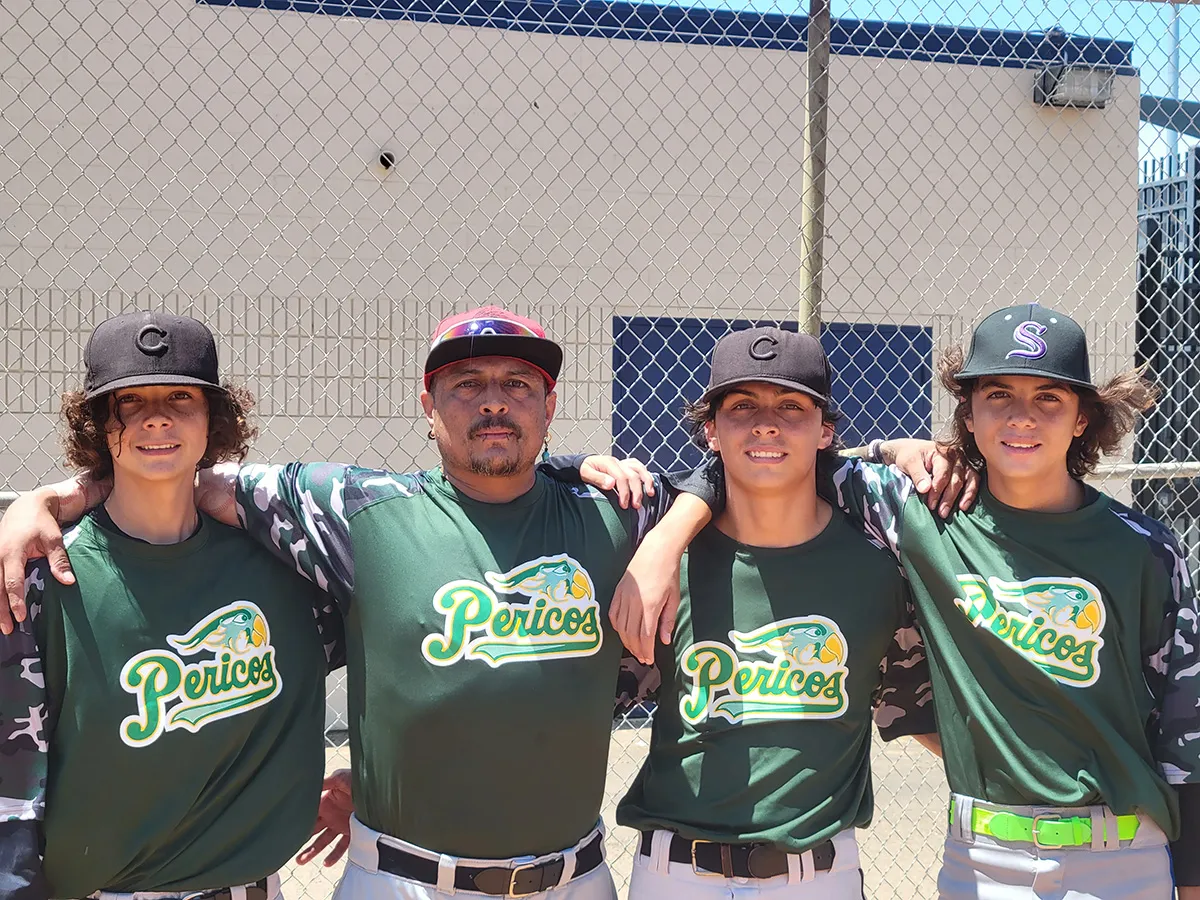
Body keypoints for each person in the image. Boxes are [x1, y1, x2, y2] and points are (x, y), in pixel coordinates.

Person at [0, 306, 723, 900]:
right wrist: (54, 496)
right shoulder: (353, 510)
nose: (495, 399)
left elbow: (757, 477)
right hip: (406, 881)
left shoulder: (621, 508)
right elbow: (188, 477)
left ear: (551, 406)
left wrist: (668, 530)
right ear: (428, 405)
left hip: (575, 878)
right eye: (466, 383)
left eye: (518, 384)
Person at [617, 304, 1200, 899]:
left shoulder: (1145, 549)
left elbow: (1187, 727)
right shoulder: (918, 512)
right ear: (966, 413)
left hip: (1124, 852)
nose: (1021, 417)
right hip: (985, 854)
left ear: (1083, 418)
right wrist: (667, 534)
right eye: (998, 394)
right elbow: (770, 466)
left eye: (1049, 398)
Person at [0, 312, 346, 900]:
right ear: (96, 425)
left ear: (215, 418)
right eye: (128, 401)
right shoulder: (45, 575)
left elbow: (403, 640)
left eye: (181, 397)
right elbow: (11, 777)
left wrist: (379, 777)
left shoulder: (284, 569)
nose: (156, 416)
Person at [613, 326, 938, 898]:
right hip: (676, 873)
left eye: (791, 406)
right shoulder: (658, 565)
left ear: (825, 430)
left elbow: (918, 712)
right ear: (710, 431)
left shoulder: (878, 570)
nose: (766, 423)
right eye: (742, 406)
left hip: (818, 875)